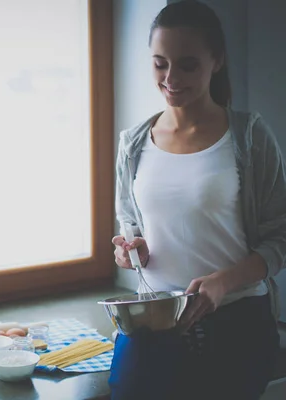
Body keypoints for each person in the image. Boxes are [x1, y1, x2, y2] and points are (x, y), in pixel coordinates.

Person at [110, 1, 283, 399]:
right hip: (151, 323)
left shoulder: (250, 137)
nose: (171, 78)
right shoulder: (133, 143)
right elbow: (130, 225)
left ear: (216, 61)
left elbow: (281, 238)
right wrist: (132, 249)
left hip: (237, 325)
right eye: (160, 63)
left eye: (187, 65)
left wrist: (224, 282)